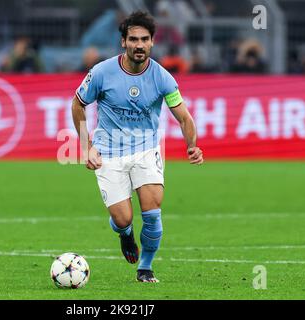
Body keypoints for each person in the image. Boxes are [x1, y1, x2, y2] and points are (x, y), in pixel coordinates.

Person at [71, 11, 204, 283]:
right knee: (122, 219)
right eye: (133, 39)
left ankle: (145, 267)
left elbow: (184, 116)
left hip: (146, 150)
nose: (139, 45)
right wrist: (87, 147)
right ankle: (125, 233)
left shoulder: (163, 77)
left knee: (152, 212)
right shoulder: (101, 72)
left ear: (153, 42)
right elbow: (78, 104)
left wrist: (192, 145)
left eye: (145, 39)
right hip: (108, 152)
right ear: (123, 42)